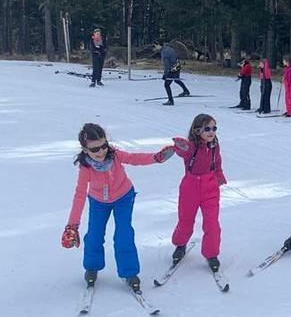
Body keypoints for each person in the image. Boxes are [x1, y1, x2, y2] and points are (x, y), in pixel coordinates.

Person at [61, 123, 174, 291]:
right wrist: (72, 225)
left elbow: (135, 158)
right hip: (98, 202)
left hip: (123, 197)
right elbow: (79, 194)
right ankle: (92, 267)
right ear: (85, 150)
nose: (100, 152)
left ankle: (129, 273)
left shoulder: (115, 155)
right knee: (94, 234)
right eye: (94, 149)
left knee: (123, 234)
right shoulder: (86, 168)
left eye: (103, 146)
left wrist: (156, 158)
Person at [168, 114, 227, 272]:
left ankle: (211, 254)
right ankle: (180, 244)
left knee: (212, 223)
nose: (211, 132)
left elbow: (217, 162)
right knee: (185, 220)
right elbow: (184, 150)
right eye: (207, 129)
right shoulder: (192, 147)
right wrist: (179, 146)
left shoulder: (215, 145)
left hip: (210, 187)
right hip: (190, 187)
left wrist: (219, 175)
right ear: (197, 130)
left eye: (214, 128)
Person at [155, 41, 191, 106]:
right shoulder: (169, 48)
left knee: (167, 85)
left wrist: (165, 74)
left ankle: (170, 101)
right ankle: (186, 91)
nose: (155, 47)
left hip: (172, 69)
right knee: (176, 79)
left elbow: (167, 65)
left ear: (159, 45)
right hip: (177, 65)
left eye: (156, 46)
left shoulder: (164, 52)